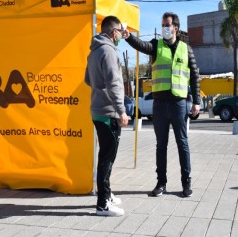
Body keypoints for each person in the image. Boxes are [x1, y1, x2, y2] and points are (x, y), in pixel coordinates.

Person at [124, 12, 201, 197]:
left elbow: (194, 76)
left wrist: (197, 102)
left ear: (175, 27)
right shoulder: (156, 45)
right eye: (162, 25)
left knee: (182, 143)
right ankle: (161, 183)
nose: (164, 28)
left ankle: (186, 183)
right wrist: (128, 37)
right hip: (159, 104)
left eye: (167, 25)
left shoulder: (186, 49)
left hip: (179, 103)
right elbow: (142, 45)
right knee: (161, 145)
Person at [84, 15, 129, 217]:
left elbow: (87, 80)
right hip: (109, 111)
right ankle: (102, 204)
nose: (121, 34)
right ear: (113, 32)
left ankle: (107, 194)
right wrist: (121, 111)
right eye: (120, 30)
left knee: (106, 155)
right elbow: (114, 84)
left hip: (97, 109)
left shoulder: (94, 51)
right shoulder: (109, 51)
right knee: (107, 158)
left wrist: (98, 89)